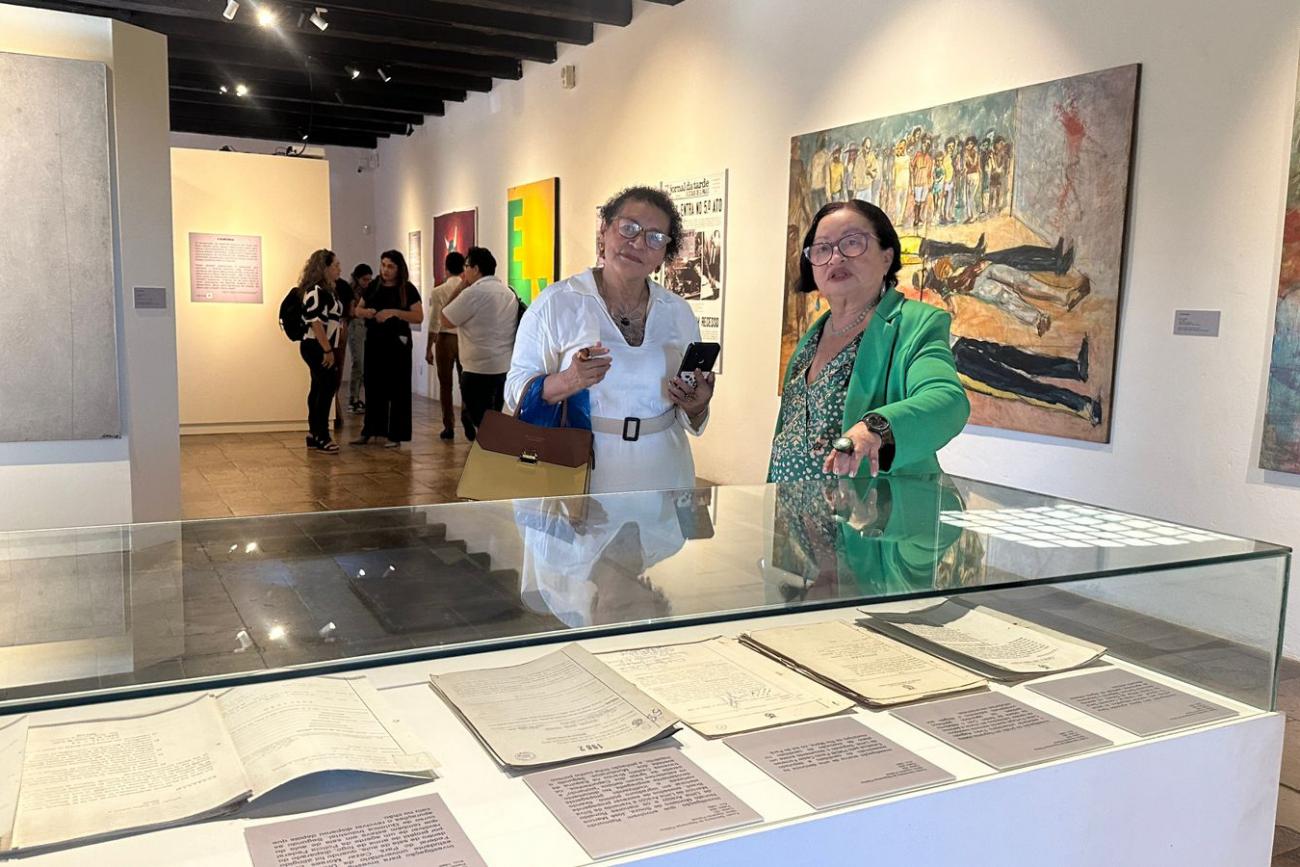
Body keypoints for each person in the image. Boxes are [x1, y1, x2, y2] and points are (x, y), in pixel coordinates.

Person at [506, 186, 717, 494]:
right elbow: (515, 391)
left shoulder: (677, 312)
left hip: (665, 474)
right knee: (584, 528)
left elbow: (687, 413)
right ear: (604, 230)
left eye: (655, 237)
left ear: (664, 254)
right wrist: (569, 380)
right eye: (628, 227)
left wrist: (697, 406)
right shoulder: (558, 303)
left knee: (658, 528)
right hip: (579, 473)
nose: (638, 243)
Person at [769, 199, 969, 482]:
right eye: (822, 248)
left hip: (865, 507)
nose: (835, 257)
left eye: (851, 243)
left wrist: (876, 429)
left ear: (886, 257)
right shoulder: (813, 335)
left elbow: (948, 402)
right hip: (787, 504)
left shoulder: (916, 325)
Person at [441, 247, 519, 439]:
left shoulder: (473, 293)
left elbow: (445, 319)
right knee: (494, 418)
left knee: (482, 421)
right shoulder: (508, 292)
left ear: (475, 269)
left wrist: (460, 287)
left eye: (466, 266)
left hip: (477, 369)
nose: (464, 271)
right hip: (503, 367)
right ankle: (491, 448)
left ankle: (487, 449)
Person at [352, 250, 423, 449]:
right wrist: (366, 312)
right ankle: (371, 429)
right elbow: (357, 309)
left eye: (390, 266)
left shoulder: (407, 289)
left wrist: (394, 313)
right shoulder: (374, 285)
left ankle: (396, 433)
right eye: (383, 265)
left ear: (399, 268)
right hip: (375, 341)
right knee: (373, 385)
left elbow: (418, 316)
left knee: (398, 387)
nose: (385, 270)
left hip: (397, 342)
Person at [295, 249, 344, 453]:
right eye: (335, 265)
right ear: (324, 268)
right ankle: (321, 435)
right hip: (316, 346)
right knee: (326, 387)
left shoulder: (327, 290)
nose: (339, 269)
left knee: (319, 387)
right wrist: (327, 350)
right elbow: (315, 322)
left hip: (321, 346)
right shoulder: (316, 291)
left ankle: (314, 433)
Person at [424, 251, 469, 440]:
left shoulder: (439, 291)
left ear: (446, 268)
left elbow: (435, 321)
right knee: (465, 382)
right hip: (464, 339)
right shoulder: (467, 289)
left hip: (444, 339)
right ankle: (467, 417)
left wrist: (428, 347)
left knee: (445, 385)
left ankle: (448, 425)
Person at [345, 263, 373, 415]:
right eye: (364, 280)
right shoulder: (350, 291)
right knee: (359, 364)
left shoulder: (369, 291)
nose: (367, 283)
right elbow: (351, 312)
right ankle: (353, 399)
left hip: (367, 327)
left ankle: (360, 399)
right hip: (356, 326)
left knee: (366, 365)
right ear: (357, 278)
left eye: (369, 280)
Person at [330, 267, 355, 430]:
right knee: (337, 368)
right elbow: (351, 311)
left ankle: (335, 407)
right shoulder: (344, 286)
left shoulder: (341, 287)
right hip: (340, 327)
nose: (339, 268)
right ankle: (335, 406)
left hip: (336, 328)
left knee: (332, 369)